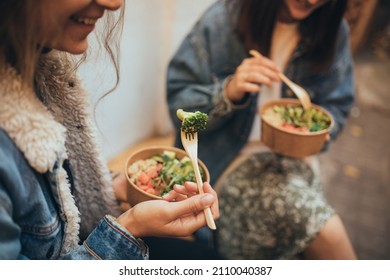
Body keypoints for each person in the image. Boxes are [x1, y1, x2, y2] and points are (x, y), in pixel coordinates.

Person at [0, 0, 219, 260]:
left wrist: (117, 189)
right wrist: (130, 226)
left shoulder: (39, 73)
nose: (112, 4)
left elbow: (57, 194)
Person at [167, 0, 356, 259]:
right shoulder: (223, 19)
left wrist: (320, 132)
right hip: (228, 162)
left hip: (297, 163)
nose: (312, 1)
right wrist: (229, 91)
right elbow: (181, 110)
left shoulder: (332, 28)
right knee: (326, 231)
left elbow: (338, 104)